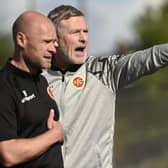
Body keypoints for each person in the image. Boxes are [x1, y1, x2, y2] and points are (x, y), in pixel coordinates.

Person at [43, 5, 168, 168]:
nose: (83, 38)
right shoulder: (35, 79)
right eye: (75, 32)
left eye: (85, 31)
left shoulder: (104, 71)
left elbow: (151, 57)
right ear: (55, 39)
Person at [0, 11, 64, 168]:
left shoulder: (41, 80)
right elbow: (8, 154)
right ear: (21, 40)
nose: (53, 49)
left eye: (55, 42)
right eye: (47, 41)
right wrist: (54, 135)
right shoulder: (5, 87)